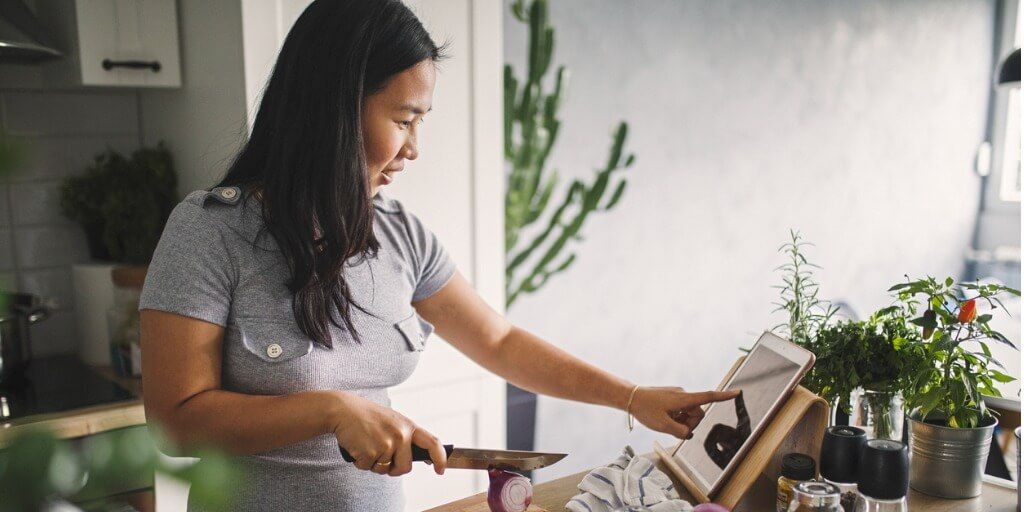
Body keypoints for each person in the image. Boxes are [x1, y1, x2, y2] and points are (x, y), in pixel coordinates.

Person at [138, 1, 738, 510]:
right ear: (334, 109)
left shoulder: (401, 234)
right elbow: (175, 420)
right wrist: (327, 410)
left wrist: (633, 398)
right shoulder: (209, 231)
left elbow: (499, 343)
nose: (414, 148)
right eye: (404, 119)